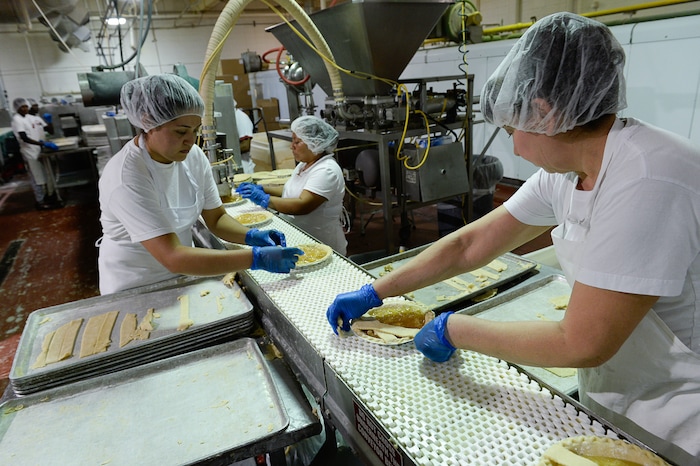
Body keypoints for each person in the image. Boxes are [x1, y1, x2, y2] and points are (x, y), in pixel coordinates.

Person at [325, 12, 700, 465]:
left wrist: (452, 327)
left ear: (546, 112)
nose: (516, 149)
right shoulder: (567, 173)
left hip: (679, 421)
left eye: (511, 130)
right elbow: (470, 245)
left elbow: (581, 341)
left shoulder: (648, 178)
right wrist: (376, 291)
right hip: (615, 399)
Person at [98, 74, 303, 295]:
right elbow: (172, 256)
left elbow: (216, 218)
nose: (190, 140)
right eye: (180, 131)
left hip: (184, 273)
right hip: (136, 287)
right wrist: (255, 258)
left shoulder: (193, 156)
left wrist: (251, 235)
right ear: (148, 122)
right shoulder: (127, 176)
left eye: (195, 131)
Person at [237, 115, 347, 255]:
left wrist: (265, 199)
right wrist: (262, 188)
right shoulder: (305, 164)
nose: (291, 146)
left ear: (315, 143)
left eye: (297, 142)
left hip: (321, 241)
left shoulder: (326, 170)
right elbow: (291, 189)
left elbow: (302, 205)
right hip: (301, 235)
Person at [10, 97, 61, 210]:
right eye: (22, 107)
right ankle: (40, 202)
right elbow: (24, 138)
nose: (25, 108)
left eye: (26, 106)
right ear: (17, 108)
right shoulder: (17, 120)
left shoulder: (31, 117)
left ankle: (49, 196)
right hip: (29, 152)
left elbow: (49, 130)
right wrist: (42, 144)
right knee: (36, 177)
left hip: (38, 150)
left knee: (45, 175)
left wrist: (49, 121)